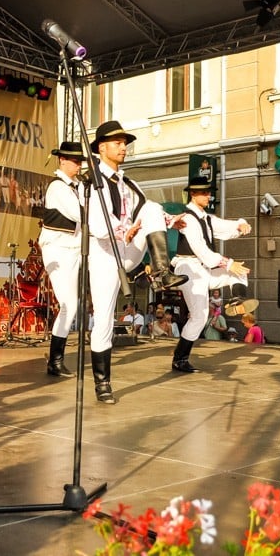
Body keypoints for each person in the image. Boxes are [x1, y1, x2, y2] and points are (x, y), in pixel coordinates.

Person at [86, 121, 189, 404]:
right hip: (106, 254)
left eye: (124, 143)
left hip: (128, 248)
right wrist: (123, 231)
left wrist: (171, 221)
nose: (123, 147)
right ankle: (103, 383)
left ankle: (162, 272)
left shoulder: (129, 182)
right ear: (101, 148)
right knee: (104, 319)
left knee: (155, 207)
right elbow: (96, 225)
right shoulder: (93, 182)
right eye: (117, 143)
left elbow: (145, 210)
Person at [169, 176, 255, 372]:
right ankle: (179, 359)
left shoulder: (207, 218)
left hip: (204, 268)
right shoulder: (188, 219)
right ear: (193, 194)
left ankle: (234, 302)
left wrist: (241, 226)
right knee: (199, 317)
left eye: (209, 192)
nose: (208, 195)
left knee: (240, 273)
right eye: (204, 192)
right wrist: (227, 263)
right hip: (189, 268)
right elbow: (201, 250)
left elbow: (225, 226)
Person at [38, 141, 84, 377]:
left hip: (73, 249)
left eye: (80, 162)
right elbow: (79, 213)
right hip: (57, 248)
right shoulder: (57, 187)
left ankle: (56, 360)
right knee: (68, 304)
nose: (78, 165)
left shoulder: (78, 186)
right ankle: (55, 361)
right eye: (74, 161)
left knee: (71, 305)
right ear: (62, 161)